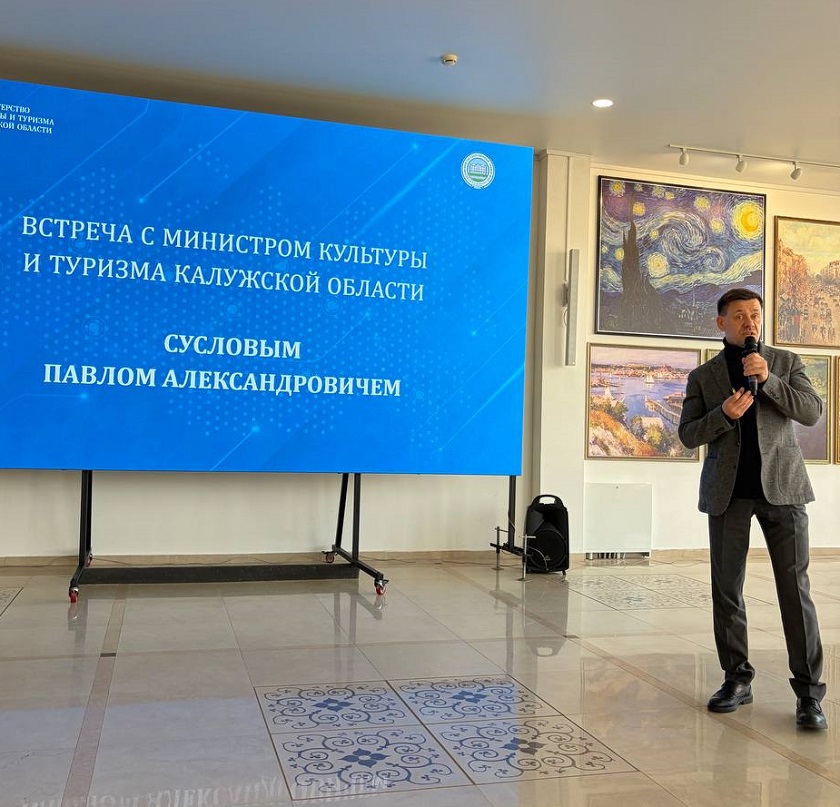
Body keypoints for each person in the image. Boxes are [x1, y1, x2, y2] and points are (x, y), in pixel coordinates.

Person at [678, 288, 827, 730]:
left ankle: (809, 694)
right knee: (727, 590)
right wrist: (723, 413)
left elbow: (812, 412)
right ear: (721, 322)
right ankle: (737, 679)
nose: (749, 322)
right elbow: (688, 434)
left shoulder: (785, 362)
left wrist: (771, 380)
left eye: (755, 315)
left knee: (795, 591)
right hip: (728, 495)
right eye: (739, 315)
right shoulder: (703, 376)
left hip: (784, 490)